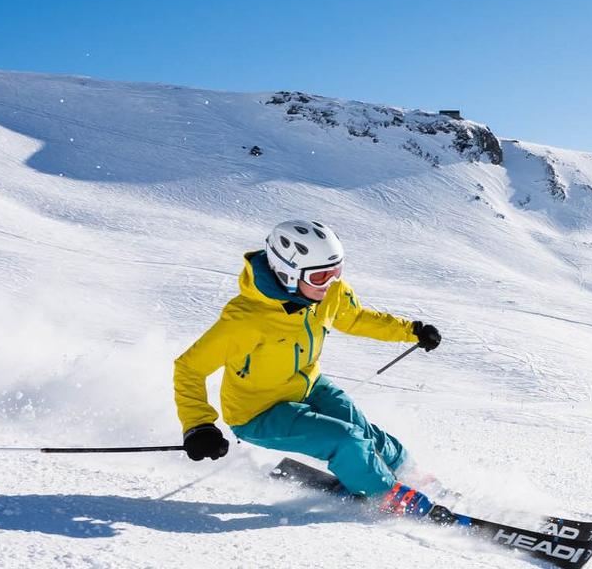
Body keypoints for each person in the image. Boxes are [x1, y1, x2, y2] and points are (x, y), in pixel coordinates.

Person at [173, 220, 444, 516]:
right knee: (346, 440)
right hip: (258, 412)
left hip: (308, 385)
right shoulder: (246, 320)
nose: (330, 283)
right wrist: (198, 426)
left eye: (335, 272)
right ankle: (385, 496)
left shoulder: (328, 293)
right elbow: (189, 367)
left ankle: (410, 475)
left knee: (365, 431)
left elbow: (354, 318)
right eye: (320, 276)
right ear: (287, 273)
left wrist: (411, 330)